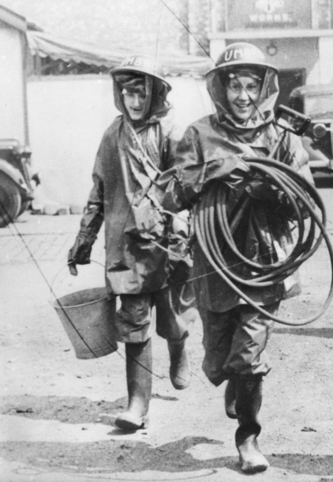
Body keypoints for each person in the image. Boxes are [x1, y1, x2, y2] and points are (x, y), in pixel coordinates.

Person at [152, 42, 312, 474]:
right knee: (218, 357)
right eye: (235, 86)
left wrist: (272, 192)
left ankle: (248, 437)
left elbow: (307, 200)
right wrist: (212, 172)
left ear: (264, 90)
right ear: (221, 89)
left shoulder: (281, 136)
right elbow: (169, 194)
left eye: (251, 87)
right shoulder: (199, 134)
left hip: (263, 262)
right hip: (213, 263)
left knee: (250, 359)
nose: (243, 96)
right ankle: (233, 380)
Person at [67, 55, 199, 431]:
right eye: (127, 93)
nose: (135, 102)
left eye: (141, 93)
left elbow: (187, 188)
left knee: (172, 318)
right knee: (134, 323)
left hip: (167, 244)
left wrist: (186, 231)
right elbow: (98, 191)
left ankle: (179, 348)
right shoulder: (113, 135)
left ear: (155, 93)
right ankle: (137, 403)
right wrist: (83, 241)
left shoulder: (173, 132)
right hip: (125, 248)